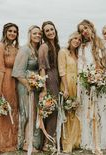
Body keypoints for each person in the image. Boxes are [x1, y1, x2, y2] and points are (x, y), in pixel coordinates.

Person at [77, 19, 106, 154]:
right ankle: (89, 141)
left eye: (85, 28)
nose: (84, 32)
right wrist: (86, 80)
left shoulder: (104, 43)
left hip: (102, 82)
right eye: (81, 30)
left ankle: (103, 142)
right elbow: (81, 66)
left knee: (103, 111)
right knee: (89, 112)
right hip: (88, 83)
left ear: (91, 27)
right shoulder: (82, 47)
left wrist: (103, 79)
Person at [12, 25, 42, 151]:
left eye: (39, 34)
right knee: (27, 113)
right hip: (25, 86)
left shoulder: (38, 49)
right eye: (35, 33)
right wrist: (28, 85)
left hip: (36, 85)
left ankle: (34, 142)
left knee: (35, 113)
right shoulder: (24, 50)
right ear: (29, 34)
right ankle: (25, 143)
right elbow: (17, 72)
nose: (37, 36)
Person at [0, 22, 19, 152]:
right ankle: (4, 143)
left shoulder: (16, 49)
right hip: (5, 81)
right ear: (5, 32)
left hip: (16, 82)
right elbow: (0, 70)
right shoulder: (0, 47)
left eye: (14, 31)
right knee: (5, 111)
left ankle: (13, 142)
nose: (12, 33)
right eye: (10, 31)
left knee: (14, 110)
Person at [57, 31, 82, 153]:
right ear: (70, 38)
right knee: (67, 113)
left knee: (76, 112)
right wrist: (65, 88)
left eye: (79, 40)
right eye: (75, 38)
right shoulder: (63, 52)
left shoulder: (78, 54)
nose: (77, 41)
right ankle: (67, 143)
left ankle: (76, 141)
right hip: (67, 83)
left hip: (78, 85)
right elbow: (61, 71)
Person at [38, 21, 60, 150]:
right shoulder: (44, 47)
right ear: (44, 34)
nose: (50, 32)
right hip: (49, 79)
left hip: (56, 79)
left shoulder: (56, 46)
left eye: (52, 29)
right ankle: (46, 143)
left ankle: (50, 140)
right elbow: (42, 68)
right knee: (51, 110)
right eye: (47, 31)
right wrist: (44, 88)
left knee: (54, 110)